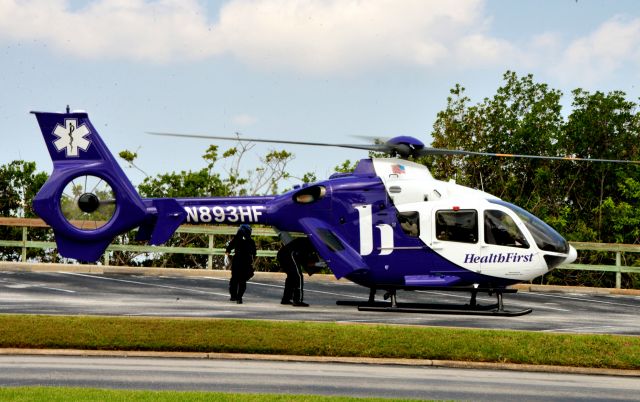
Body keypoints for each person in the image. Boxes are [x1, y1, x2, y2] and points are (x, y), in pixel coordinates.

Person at [278, 237, 316, 307]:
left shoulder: (306, 242)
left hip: (282, 254)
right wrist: (316, 264)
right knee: (298, 276)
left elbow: (303, 259)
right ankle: (298, 300)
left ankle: (286, 299)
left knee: (291, 276)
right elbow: (304, 260)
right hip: (289, 255)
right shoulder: (309, 245)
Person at [225, 224, 256, 304]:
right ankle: (239, 297)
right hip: (246, 262)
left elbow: (229, 248)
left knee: (234, 279)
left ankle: (233, 296)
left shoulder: (237, 240)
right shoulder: (251, 241)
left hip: (237, 261)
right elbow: (254, 253)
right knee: (242, 281)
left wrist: (227, 255)